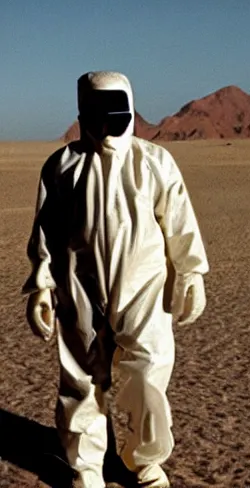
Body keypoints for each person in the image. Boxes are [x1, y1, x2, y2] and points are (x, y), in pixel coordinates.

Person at [22, 71, 209, 488]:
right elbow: (46, 231)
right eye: (97, 114)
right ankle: (86, 468)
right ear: (82, 112)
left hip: (144, 289)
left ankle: (144, 460)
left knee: (148, 375)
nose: (108, 126)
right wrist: (41, 285)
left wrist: (191, 271)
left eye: (116, 114)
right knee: (83, 381)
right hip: (79, 288)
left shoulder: (154, 162)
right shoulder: (62, 165)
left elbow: (179, 222)